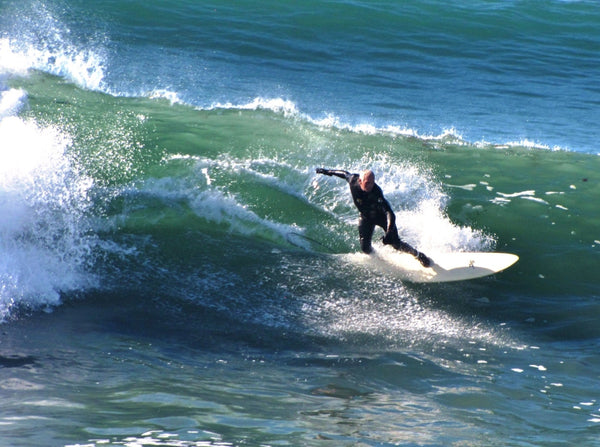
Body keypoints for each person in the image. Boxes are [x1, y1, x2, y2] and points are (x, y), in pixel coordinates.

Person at [316, 168, 432, 267]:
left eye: (372, 183)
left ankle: (417, 255)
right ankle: (379, 259)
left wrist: (389, 230)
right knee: (365, 248)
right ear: (360, 181)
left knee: (396, 244)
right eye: (367, 183)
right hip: (366, 217)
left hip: (381, 218)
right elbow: (344, 174)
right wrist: (328, 172)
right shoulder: (353, 181)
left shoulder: (376, 192)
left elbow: (389, 212)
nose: (370, 186)